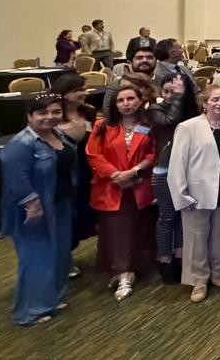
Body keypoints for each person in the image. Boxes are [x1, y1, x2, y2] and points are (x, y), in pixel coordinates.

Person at [0, 93, 76, 325]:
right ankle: (32, 309)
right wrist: (31, 203)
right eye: (42, 113)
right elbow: (15, 176)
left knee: (61, 253)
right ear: (29, 116)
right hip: (34, 209)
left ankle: (52, 298)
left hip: (59, 202)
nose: (50, 117)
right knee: (37, 257)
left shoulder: (57, 134)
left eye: (55, 112)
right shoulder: (21, 144)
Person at [168, 84, 220, 302]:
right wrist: (182, 196)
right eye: (215, 100)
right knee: (196, 237)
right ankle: (199, 280)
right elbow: (177, 164)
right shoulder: (188, 127)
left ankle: (217, 272)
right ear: (205, 103)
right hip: (197, 192)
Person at [86, 83, 157, 300]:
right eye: (121, 100)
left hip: (138, 185)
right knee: (114, 231)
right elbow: (93, 155)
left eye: (131, 99)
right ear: (114, 104)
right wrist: (116, 175)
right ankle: (121, 271)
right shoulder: (102, 126)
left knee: (137, 228)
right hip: (111, 186)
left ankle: (132, 269)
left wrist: (133, 172)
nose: (126, 104)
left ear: (140, 101)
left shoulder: (148, 125)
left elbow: (153, 153)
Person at [148, 72, 199, 284]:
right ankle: (165, 259)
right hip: (165, 170)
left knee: (183, 216)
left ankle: (179, 255)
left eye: (176, 92)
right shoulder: (154, 110)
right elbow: (170, 122)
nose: (170, 96)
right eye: (167, 92)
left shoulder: (191, 110)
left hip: (189, 169)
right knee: (167, 217)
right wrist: (178, 96)